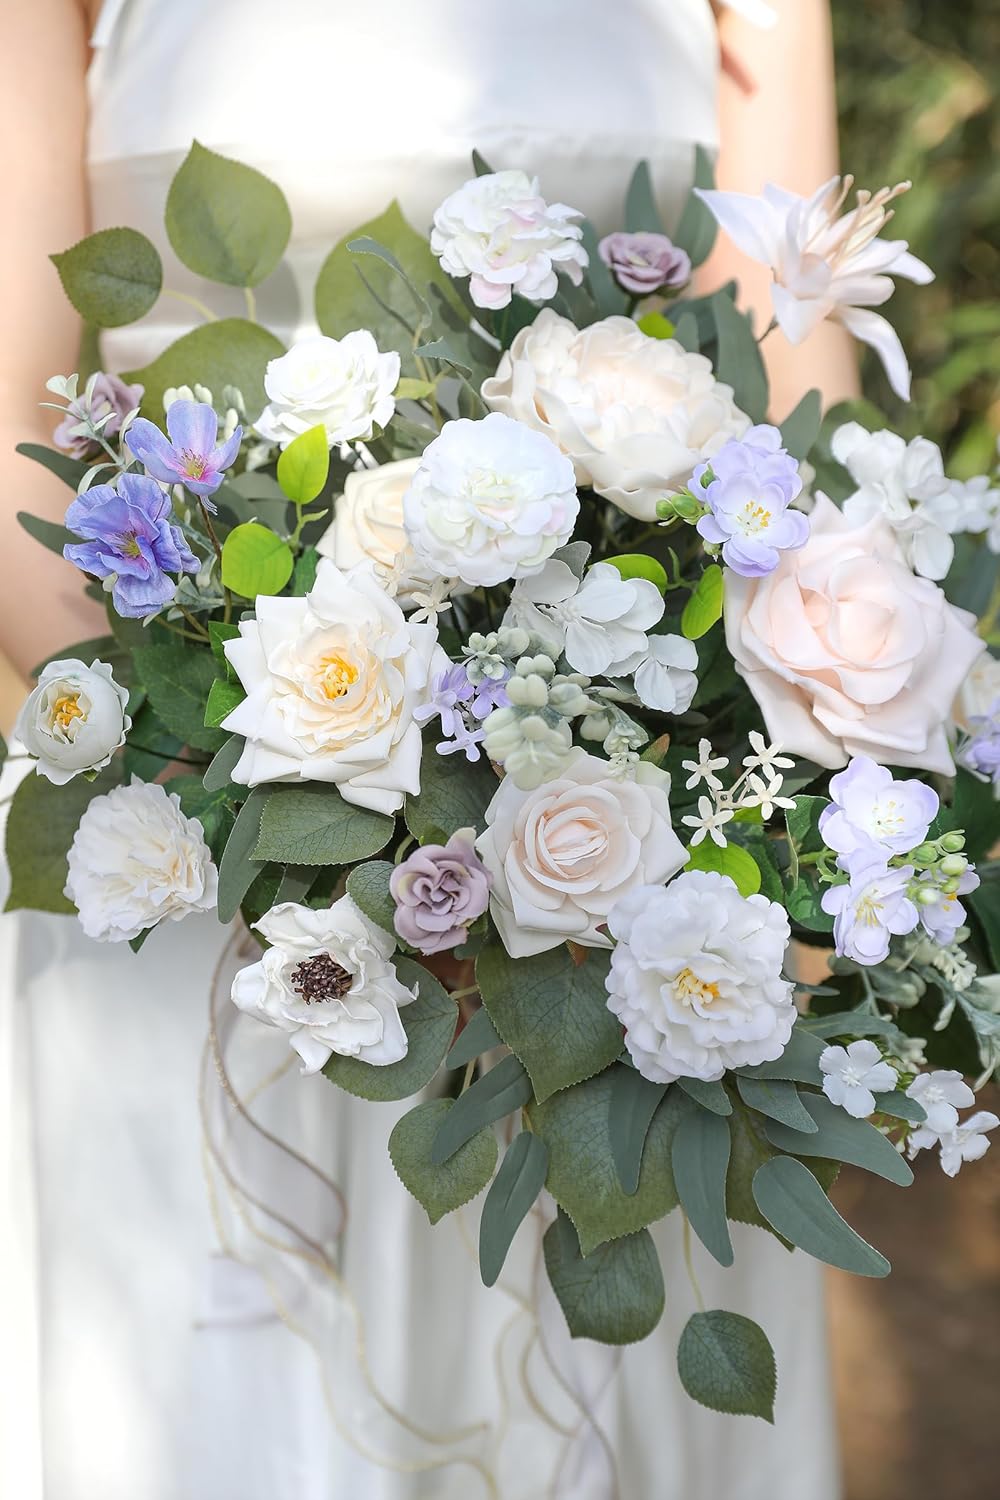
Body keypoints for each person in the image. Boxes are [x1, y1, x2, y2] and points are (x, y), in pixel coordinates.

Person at [1, 1, 856, 1495]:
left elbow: (801, 375)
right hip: (191, 818)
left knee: (598, 1362)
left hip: (615, 880)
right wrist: (303, 804)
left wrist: (780, 795)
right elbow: (10, 415)